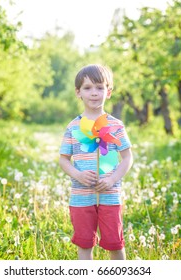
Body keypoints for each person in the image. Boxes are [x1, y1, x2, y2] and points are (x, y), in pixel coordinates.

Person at [59, 64, 133, 260]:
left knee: (115, 244)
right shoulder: (74, 127)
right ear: (78, 92)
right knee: (84, 244)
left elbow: (127, 158)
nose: (94, 93)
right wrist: (78, 174)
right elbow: (64, 159)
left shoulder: (116, 125)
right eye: (88, 88)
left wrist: (112, 179)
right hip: (81, 197)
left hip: (109, 195)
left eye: (100, 88)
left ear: (108, 92)